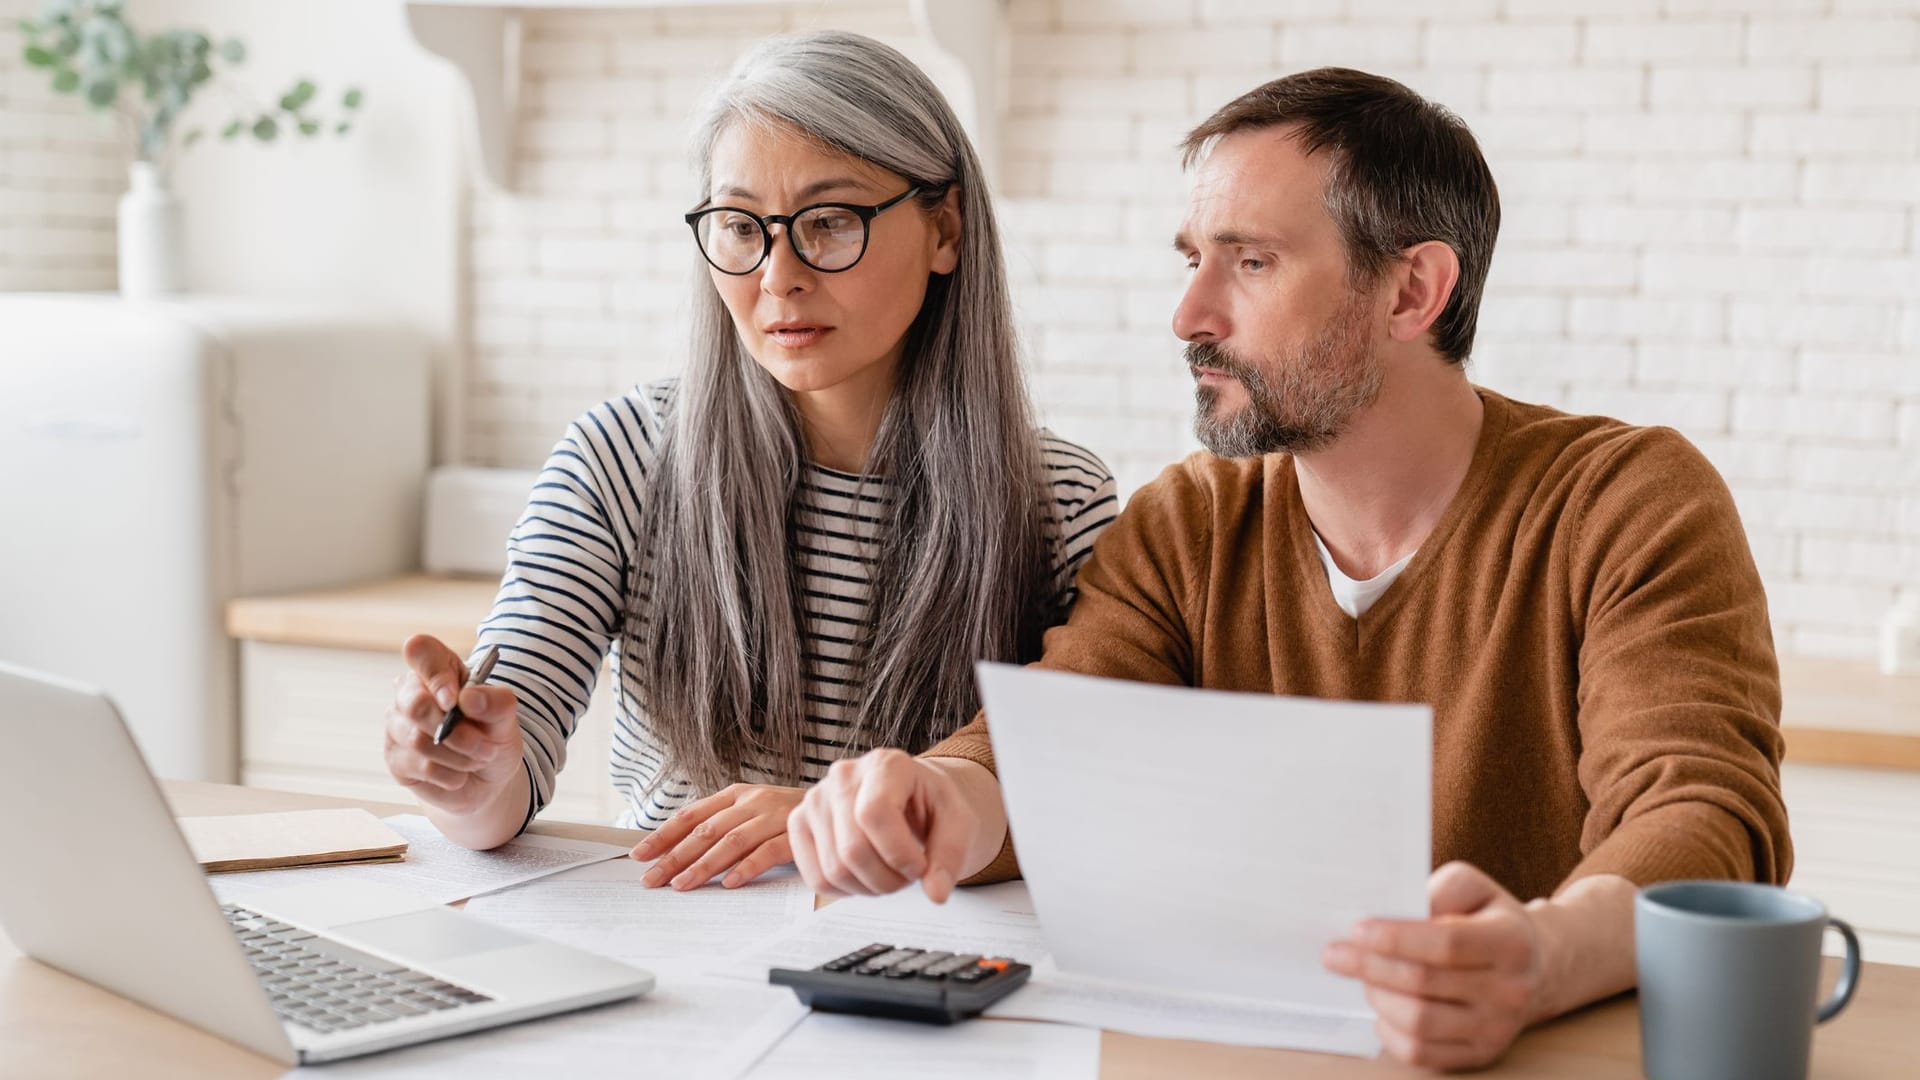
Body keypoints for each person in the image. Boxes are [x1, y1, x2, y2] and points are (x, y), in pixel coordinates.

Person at [785, 67, 1791, 1071]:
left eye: (1252, 263)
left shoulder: (1623, 502)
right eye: (1192, 262)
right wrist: (932, 796)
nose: (1188, 315)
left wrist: (1541, 955)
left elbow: (1703, 819)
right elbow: (1055, 745)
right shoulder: (1189, 522)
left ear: (1412, 290)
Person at [379, 30, 1117, 893]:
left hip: (930, 958)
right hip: (683, 940)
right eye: (740, 227)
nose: (779, 276)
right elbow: (505, 777)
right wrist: (464, 767)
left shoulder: (1059, 499)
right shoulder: (624, 454)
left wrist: (827, 826)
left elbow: (1076, 794)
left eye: (831, 222)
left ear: (945, 228)